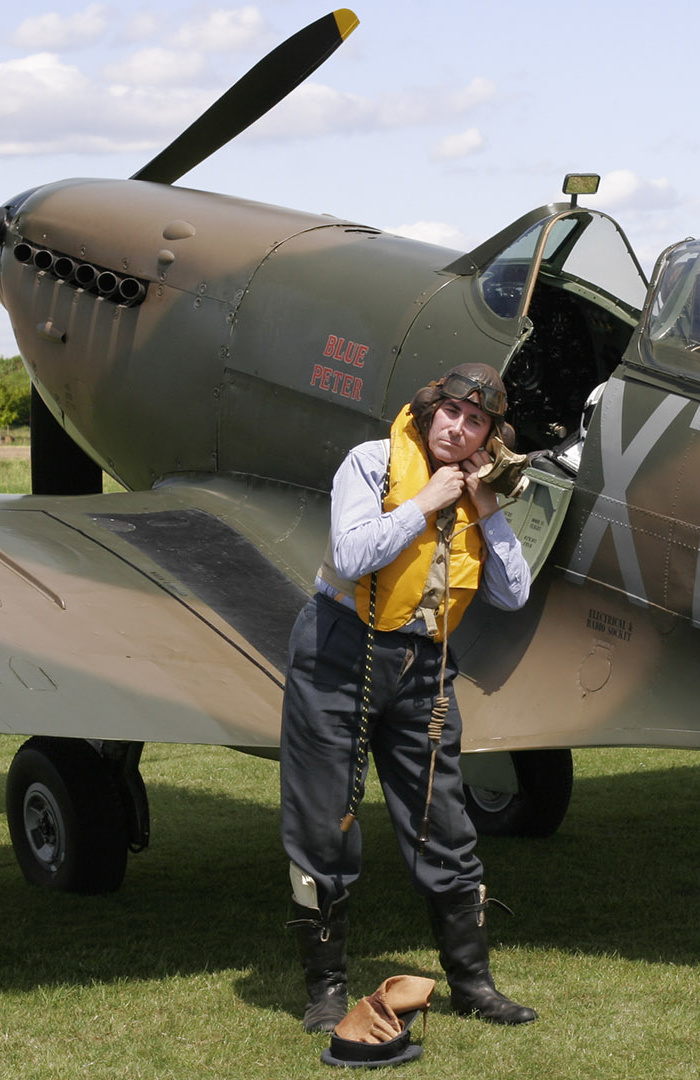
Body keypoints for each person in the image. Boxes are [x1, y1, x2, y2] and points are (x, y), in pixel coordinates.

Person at [280, 362, 538, 1033]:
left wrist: (487, 511)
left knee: (446, 824)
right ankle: (326, 991)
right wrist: (424, 504)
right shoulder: (371, 463)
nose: (459, 427)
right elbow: (352, 550)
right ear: (428, 413)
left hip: (426, 662)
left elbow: (514, 592)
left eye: (476, 420)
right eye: (451, 413)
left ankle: (474, 984)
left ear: (488, 435)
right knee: (324, 822)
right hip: (342, 647)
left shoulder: (478, 493)